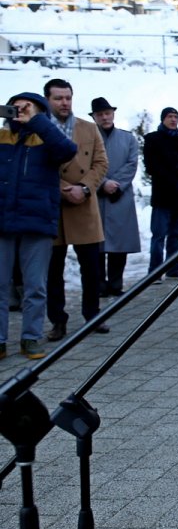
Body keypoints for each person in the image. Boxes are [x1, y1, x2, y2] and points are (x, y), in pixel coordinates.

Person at [0, 92, 77, 360]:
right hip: (3, 220)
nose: (20, 112)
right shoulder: (1, 137)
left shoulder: (47, 138)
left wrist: (38, 121)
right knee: (0, 285)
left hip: (37, 220)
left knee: (35, 286)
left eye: (28, 108)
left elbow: (68, 151)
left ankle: (30, 338)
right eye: (16, 108)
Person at [43, 78, 110, 342]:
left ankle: (92, 316)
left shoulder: (88, 128)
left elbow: (101, 163)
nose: (64, 102)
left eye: (68, 97)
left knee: (92, 269)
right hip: (53, 206)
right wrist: (62, 188)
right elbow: (37, 166)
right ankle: (57, 321)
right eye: (58, 98)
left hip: (84, 205)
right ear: (47, 99)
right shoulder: (40, 129)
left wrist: (83, 188)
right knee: (53, 271)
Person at [90, 97, 140, 298]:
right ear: (94, 117)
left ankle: (116, 283)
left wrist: (116, 184)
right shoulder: (90, 138)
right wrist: (103, 184)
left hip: (121, 195)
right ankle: (99, 284)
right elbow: (86, 164)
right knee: (98, 243)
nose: (105, 117)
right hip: (96, 195)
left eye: (107, 113)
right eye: (100, 114)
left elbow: (132, 164)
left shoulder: (128, 138)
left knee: (120, 244)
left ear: (113, 114)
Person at [143, 106, 178, 280]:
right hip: (163, 196)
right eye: (170, 116)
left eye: (176, 117)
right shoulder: (153, 139)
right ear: (163, 119)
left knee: (176, 235)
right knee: (159, 235)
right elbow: (152, 167)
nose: (173, 120)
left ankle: (173, 267)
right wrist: (173, 181)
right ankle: (155, 271)